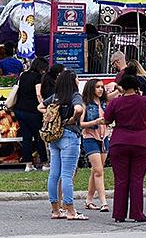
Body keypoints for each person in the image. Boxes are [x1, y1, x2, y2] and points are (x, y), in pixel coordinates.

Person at [101, 74, 146, 223]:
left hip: (119, 142)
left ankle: (119, 214)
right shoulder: (145, 101)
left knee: (121, 179)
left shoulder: (116, 102)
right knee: (137, 179)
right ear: (137, 87)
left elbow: (107, 119)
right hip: (141, 142)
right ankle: (137, 214)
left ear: (122, 88)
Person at [38, 69, 86, 220]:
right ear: (72, 81)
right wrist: (73, 119)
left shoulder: (55, 97)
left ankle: (55, 210)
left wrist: (52, 116)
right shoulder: (74, 95)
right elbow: (78, 108)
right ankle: (70, 210)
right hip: (70, 136)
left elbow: (39, 107)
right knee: (67, 174)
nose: (78, 81)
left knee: (54, 174)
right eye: (77, 78)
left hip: (55, 136)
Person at [13, 58, 49, 172]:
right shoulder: (37, 77)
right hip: (33, 111)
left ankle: (28, 165)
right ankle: (44, 163)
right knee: (38, 137)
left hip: (20, 110)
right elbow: (38, 94)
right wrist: (43, 105)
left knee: (26, 138)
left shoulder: (23, 75)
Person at [80, 79, 109, 212]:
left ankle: (89, 200)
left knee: (96, 170)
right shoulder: (85, 103)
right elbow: (80, 124)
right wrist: (95, 122)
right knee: (98, 171)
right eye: (97, 87)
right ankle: (104, 202)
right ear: (91, 88)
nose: (100, 89)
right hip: (90, 138)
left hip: (104, 138)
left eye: (102, 87)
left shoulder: (104, 103)